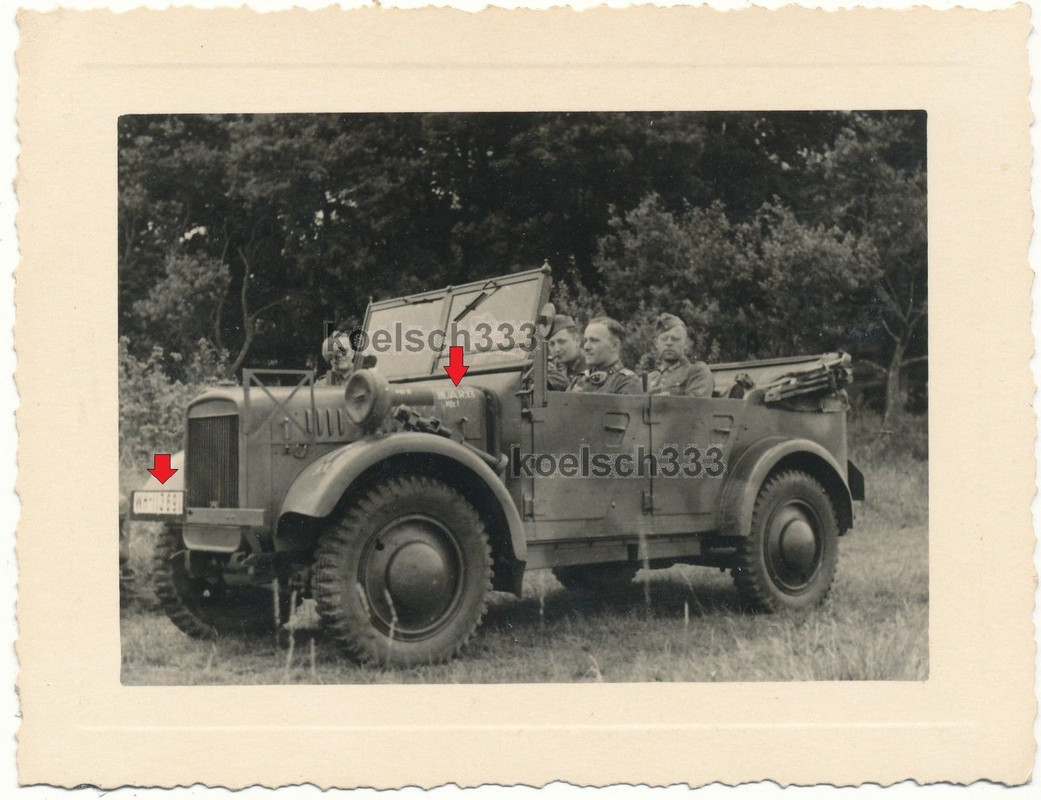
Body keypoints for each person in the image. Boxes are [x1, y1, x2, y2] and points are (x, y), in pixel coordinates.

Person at [567, 316, 642, 395]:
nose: (586, 347)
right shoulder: (579, 380)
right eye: (585, 340)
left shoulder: (627, 383)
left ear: (614, 345)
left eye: (594, 341)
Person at [645, 313, 714, 397]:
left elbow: (696, 406)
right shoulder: (651, 377)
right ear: (656, 344)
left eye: (675, 339)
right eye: (664, 339)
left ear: (686, 344)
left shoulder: (696, 371)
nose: (669, 343)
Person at [545, 314, 587, 391]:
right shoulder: (552, 368)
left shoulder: (590, 366)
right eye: (552, 344)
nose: (557, 349)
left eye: (562, 342)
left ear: (577, 341)